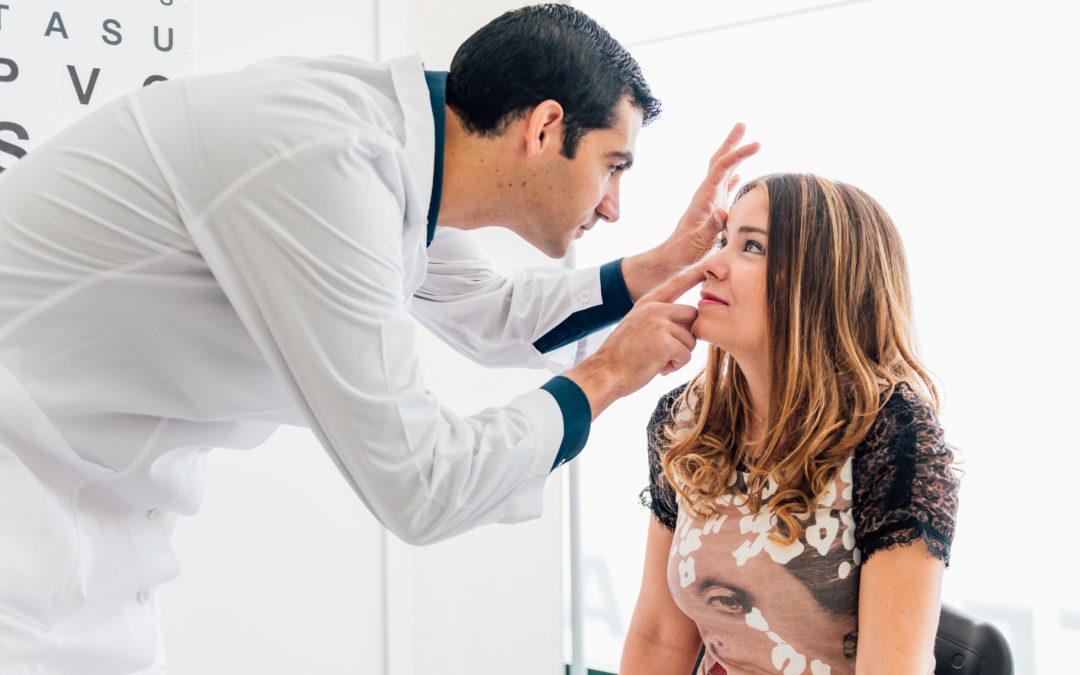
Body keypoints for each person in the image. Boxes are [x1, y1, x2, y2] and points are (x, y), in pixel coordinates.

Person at [0, 4, 758, 673]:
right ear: (546, 127)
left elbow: (491, 313)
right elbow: (420, 483)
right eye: (612, 166)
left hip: (86, 526)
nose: (615, 206)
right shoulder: (329, 165)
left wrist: (659, 267)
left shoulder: (398, 155)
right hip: (24, 518)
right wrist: (603, 379)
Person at [620, 173, 960, 674]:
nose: (710, 265)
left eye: (751, 246)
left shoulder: (894, 434)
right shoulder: (683, 420)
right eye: (723, 241)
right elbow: (658, 638)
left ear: (821, 280)